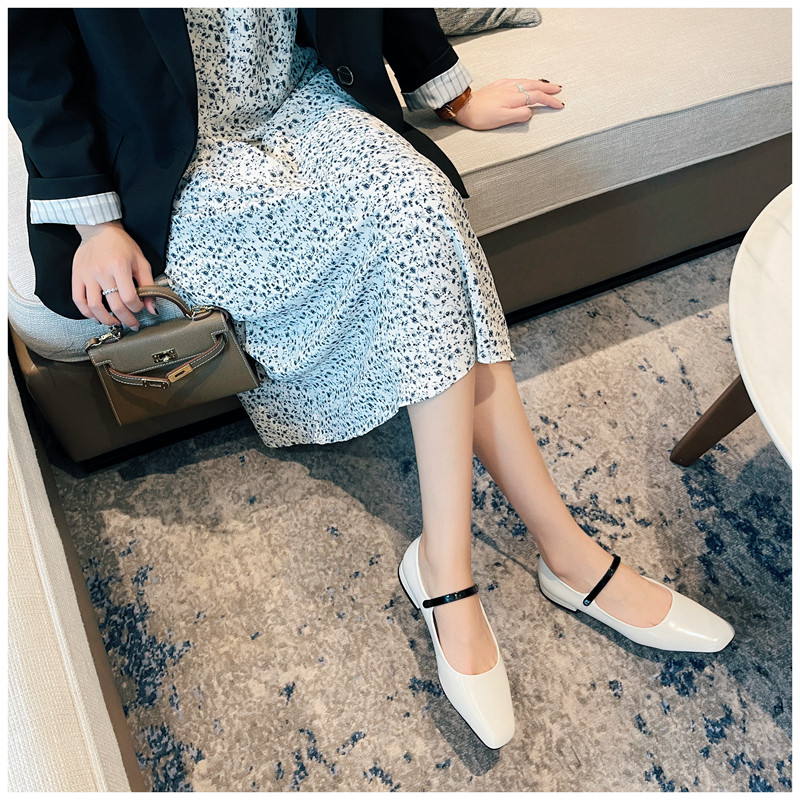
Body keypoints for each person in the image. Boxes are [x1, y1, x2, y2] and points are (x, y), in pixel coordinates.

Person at [9, 8, 734, 750]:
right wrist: (95, 224)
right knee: (425, 246)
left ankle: (462, 564)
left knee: (421, 204)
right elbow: (34, 51)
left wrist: (450, 93)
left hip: (305, 96)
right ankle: (557, 557)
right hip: (174, 154)